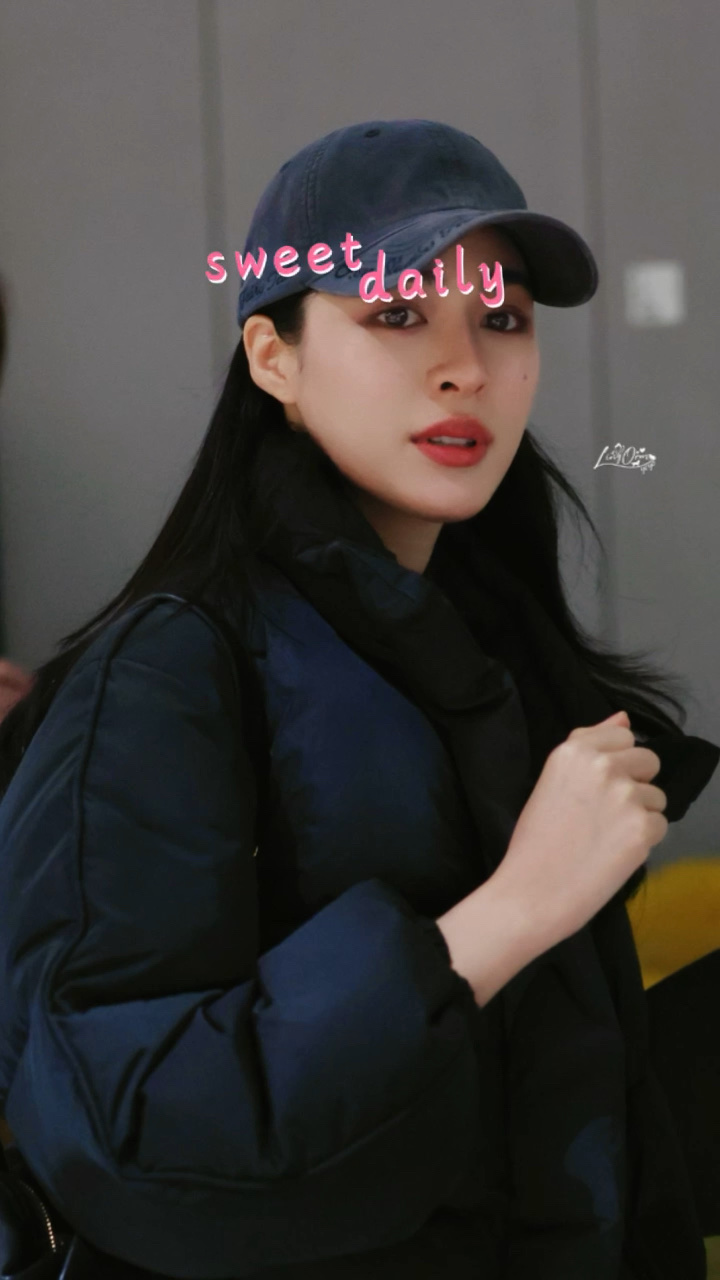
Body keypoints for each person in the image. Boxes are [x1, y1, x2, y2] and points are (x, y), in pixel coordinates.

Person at [0, 118, 716, 1280]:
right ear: (272, 357)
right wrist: (511, 909)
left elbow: (562, 1116)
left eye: (502, 317)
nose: (466, 365)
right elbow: (122, 1133)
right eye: (395, 313)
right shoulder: (168, 671)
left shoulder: (503, 669)